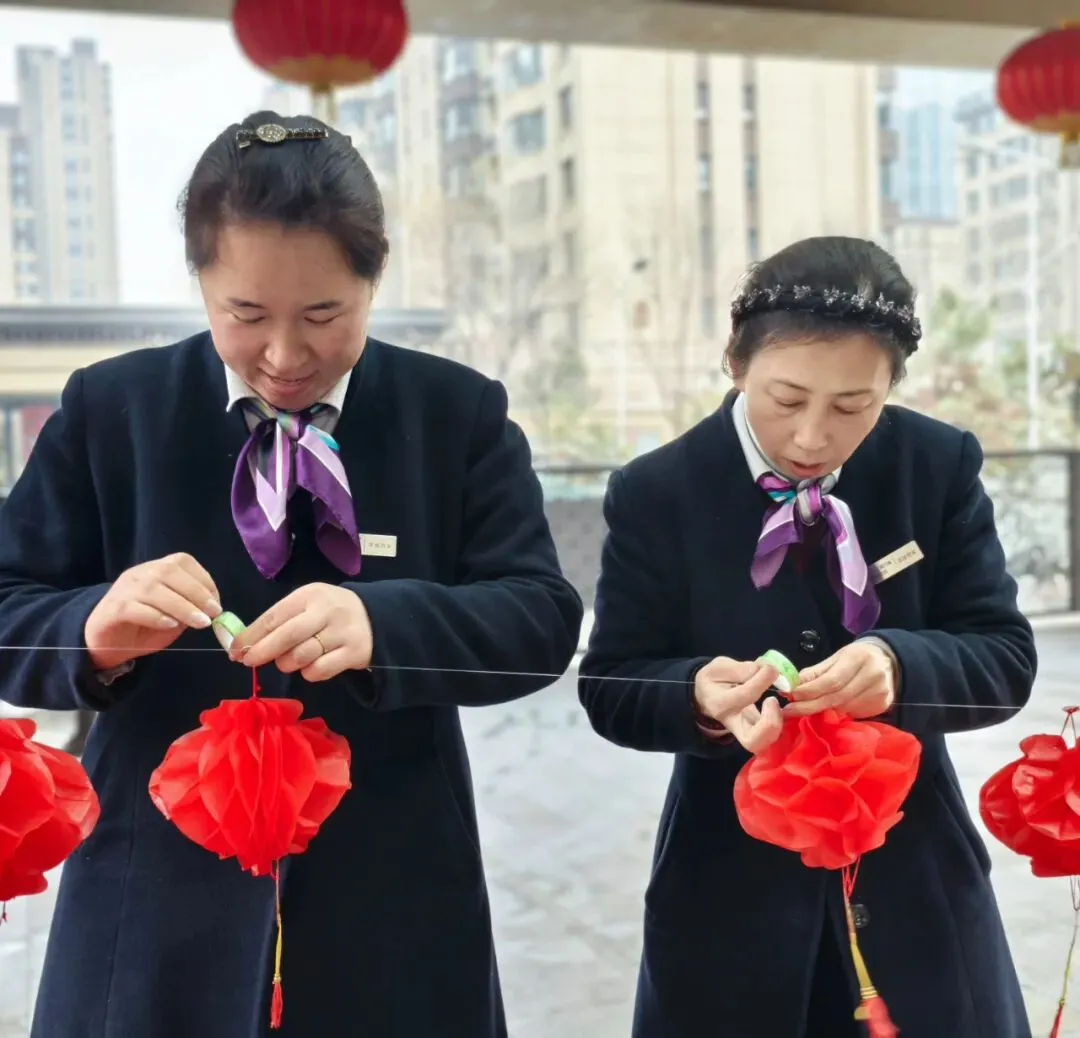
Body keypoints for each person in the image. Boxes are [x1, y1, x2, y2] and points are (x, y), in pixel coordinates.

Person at [0, 111, 583, 1038]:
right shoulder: (114, 410)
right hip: (155, 891)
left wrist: (386, 625)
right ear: (200, 282)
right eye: (245, 315)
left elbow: (540, 617)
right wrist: (92, 630)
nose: (283, 356)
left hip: (389, 887)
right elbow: (8, 605)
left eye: (323, 316)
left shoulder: (455, 415)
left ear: (372, 279)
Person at [579, 236, 1034, 1038]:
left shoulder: (934, 466)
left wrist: (901, 664)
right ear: (735, 363)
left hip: (915, 881)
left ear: (891, 386)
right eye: (786, 399)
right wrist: (697, 696)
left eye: (853, 407)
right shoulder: (659, 491)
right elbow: (612, 681)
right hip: (728, 889)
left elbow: (1004, 656)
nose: (814, 438)